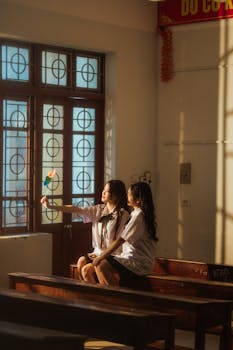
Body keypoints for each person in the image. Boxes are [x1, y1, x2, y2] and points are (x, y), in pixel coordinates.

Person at [41, 179, 130, 283]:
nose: (103, 193)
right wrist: (51, 206)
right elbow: (75, 209)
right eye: (103, 190)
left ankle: (103, 295)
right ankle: (90, 295)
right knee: (81, 262)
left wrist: (101, 256)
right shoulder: (98, 210)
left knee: (86, 270)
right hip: (98, 252)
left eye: (106, 191)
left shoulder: (123, 215)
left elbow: (119, 244)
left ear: (115, 196)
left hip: (113, 256)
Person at [92, 181, 158, 291]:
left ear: (138, 200)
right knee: (100, 264)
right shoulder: (135, 214)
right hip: (129, 258)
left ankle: (118, 298)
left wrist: (101, 256)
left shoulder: (139, 216)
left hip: (138, 262)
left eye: (129, 194)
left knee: (101, 264)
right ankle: (109, 297)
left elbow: (120, 240)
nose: (127, 196)